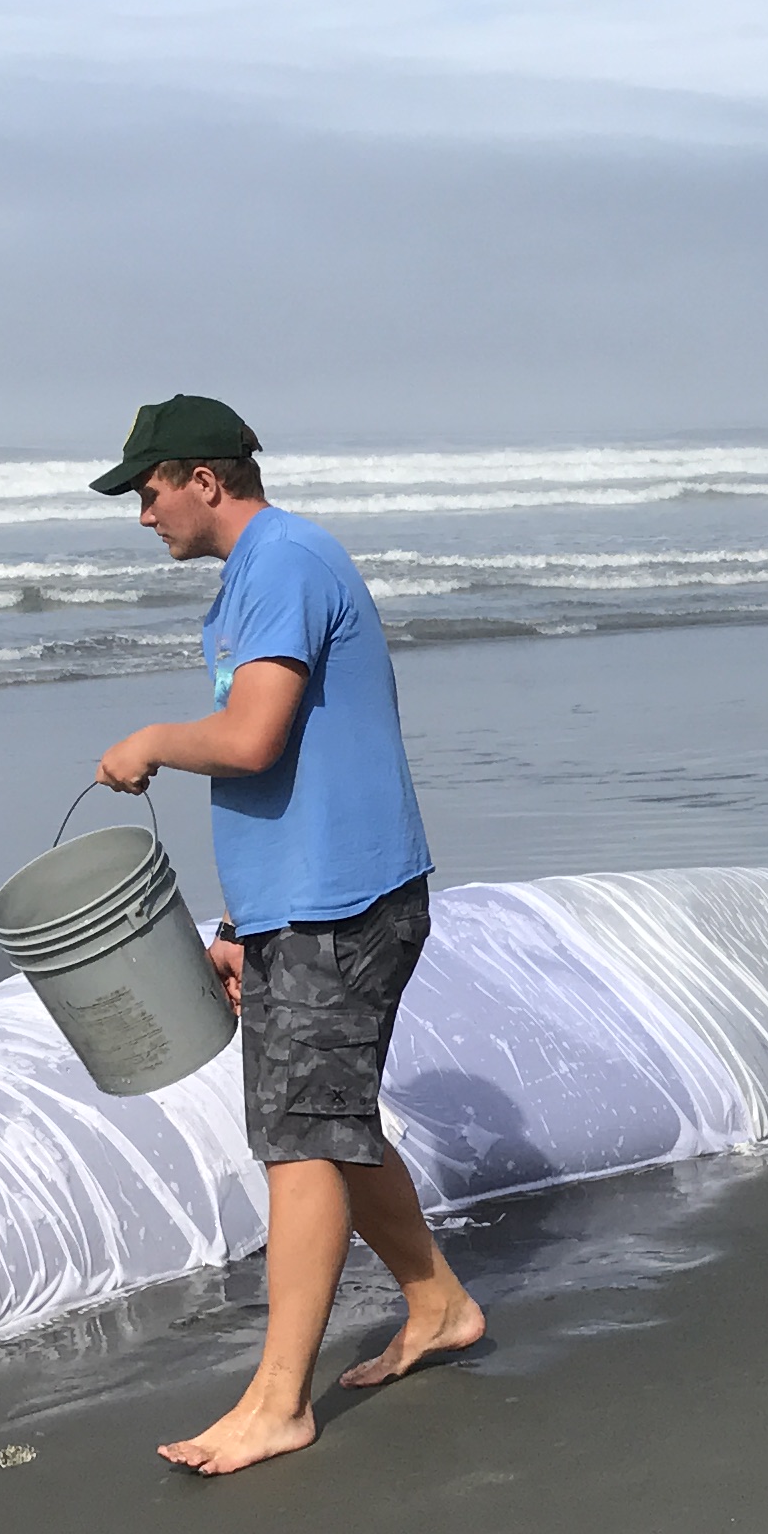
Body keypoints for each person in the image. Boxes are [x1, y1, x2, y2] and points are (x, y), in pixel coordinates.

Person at [91, 394, 487, 1474]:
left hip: (344, 906)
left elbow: (253, 738)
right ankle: (437, 1303)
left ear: (204, 479)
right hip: (297, 908)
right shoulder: (252, 580)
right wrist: (242, 923)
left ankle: (278, 1401)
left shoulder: (289, 563)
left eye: (148, 489)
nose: (142, 514)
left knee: (303, 1138)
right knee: (328, 1122)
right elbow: (292, 767)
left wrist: (151, 742)